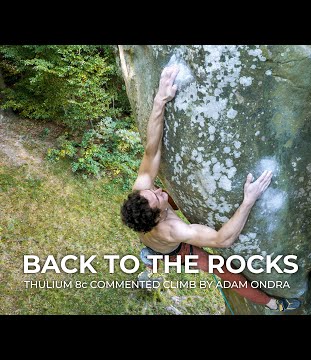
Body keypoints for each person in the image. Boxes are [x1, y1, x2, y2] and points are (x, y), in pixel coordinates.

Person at [120, 65, 300, 312]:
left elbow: (152, 150)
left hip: (153, 237)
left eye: (154, 190)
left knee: (154, 189)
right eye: (159, 198)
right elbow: (222, 239)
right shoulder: (174, 230)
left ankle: (150, 256)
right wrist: (249, 200)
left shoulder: (142, 194)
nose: (160, 191)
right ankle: (273, 304)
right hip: (174, 250)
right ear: (160, 215)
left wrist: (160, 99)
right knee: (223, 270)